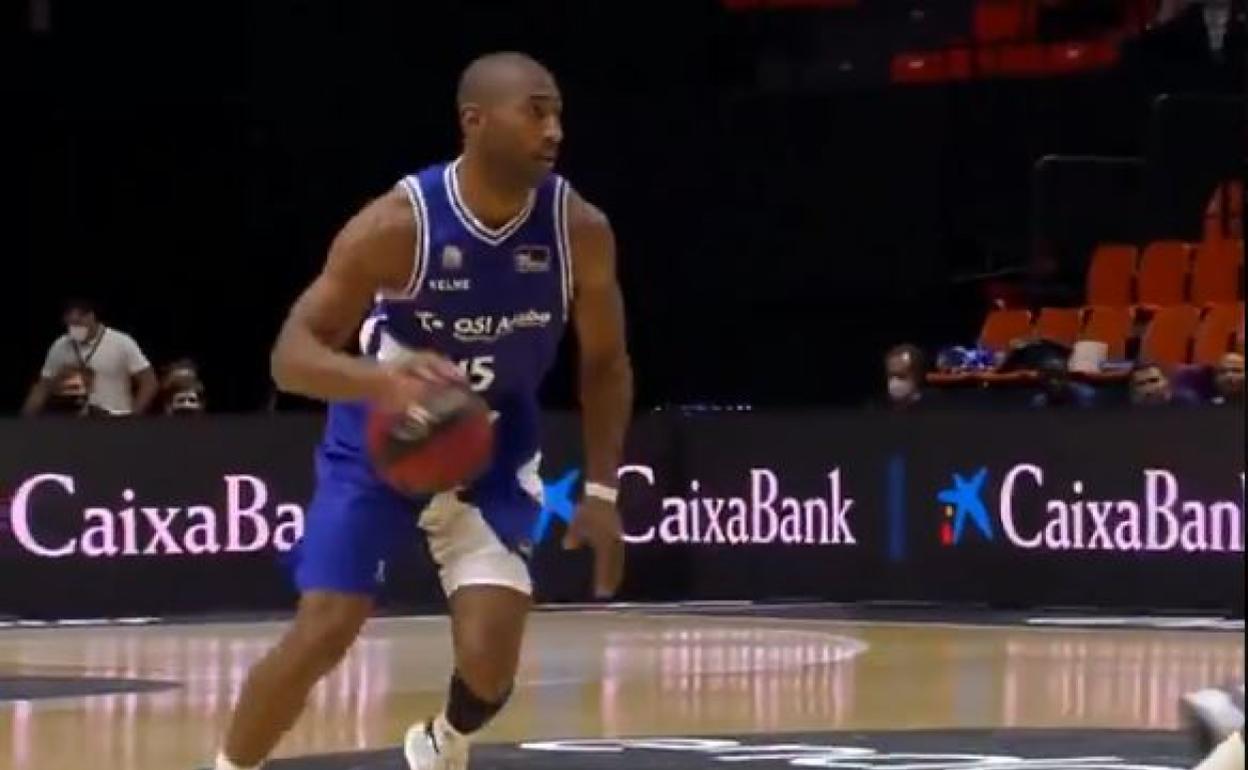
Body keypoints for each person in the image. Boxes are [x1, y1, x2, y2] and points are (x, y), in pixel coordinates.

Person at [213, 52, 633, 770]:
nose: (554, 130)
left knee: (490, 671)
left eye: (558, 113)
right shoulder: (399, 225)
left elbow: (605, 364)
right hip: (383, 443)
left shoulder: (579, 229)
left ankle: (441, 742)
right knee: (326, 627)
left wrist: (600, 490)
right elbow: (290, 356)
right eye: (536, 111)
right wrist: (382, 382)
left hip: (492, 449)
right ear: (476, 120)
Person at [21, 299, 158, 416]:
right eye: (70, 325)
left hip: (114, 420)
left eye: (78, 324)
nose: (75, 329)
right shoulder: (60, 346)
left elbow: (149, 382)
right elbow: (43, 387)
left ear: (91, 317)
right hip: (73, 423)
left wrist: (133, 417)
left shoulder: (121, 342)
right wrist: (24, 420)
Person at [1030, 355, 1097, 408]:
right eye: (1048, 377)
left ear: (1067, 377)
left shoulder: (1085, 395)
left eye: (1059, 377)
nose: (1054, 382)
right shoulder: (1039, 401)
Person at [882, 344, 928, 410]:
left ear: (917, 376)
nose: (894, 382)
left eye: (901, 376)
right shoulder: (877, 408)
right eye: (890, 376)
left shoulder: (934, 408)